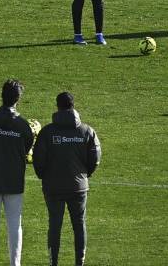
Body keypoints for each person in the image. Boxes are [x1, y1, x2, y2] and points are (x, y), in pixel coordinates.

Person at [32, 92, 101, 266]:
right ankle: (80, 262)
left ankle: (53, 262)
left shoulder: (47, 132)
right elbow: (95, 158)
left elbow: (38, 160)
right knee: (79, 224)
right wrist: (85, 175)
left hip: (53, 188)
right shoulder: (87, 130)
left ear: (58, 106)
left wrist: (44, 177)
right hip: (79, 187)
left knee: (54, 225)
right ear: (73, 106)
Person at [0, 79, 35, 266]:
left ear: (2, 95)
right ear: (18, 98)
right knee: (14, 225)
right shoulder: (23, 125)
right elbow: (26, 148)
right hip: (13, 180)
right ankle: (15, 263)